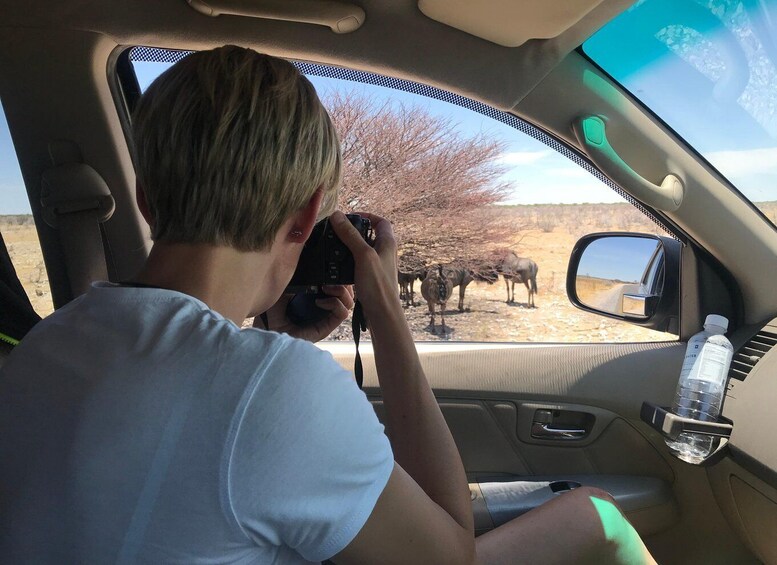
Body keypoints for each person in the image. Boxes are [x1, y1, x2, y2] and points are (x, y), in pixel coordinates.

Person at [0, 46, 656, 564]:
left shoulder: (48, 345)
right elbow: (448, 557)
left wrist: (259, 338)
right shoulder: (270, 387)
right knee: (592, 514)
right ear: (308, 214)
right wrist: (387, 312)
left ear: (144, 197)